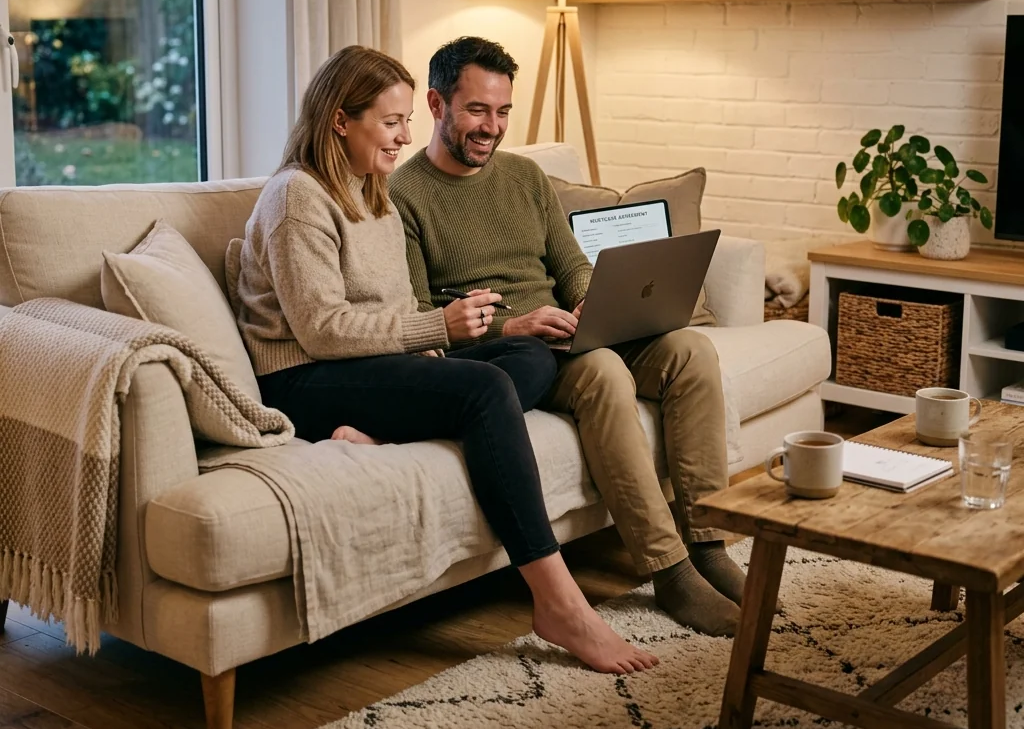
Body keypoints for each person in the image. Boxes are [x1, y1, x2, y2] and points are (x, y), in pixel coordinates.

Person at [234, 44, 656, 675]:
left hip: (362, 367)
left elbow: (393, 300)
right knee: (484, 390)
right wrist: (433, 329)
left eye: (407, 121)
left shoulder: (370, 189)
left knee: (531, 356)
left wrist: (427, 344)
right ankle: (558, 602)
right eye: (391, 122)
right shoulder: (298, 197)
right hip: (303, 378)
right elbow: (320, 329)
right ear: (339, 122)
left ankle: (377, 430)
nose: (405, 137)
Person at [389, 36, 745, 637]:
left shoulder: (526, 176)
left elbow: (571, 262)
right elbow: (425, 316)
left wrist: (589, 296)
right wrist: (515, 325)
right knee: (604, 373)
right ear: (436, 103)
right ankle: (670, 568)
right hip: (516, 352)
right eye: (477, 110)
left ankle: (708, 542)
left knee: (692, 351)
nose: (492, 127)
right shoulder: (404, 195)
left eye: (503, 112)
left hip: (574, 325)